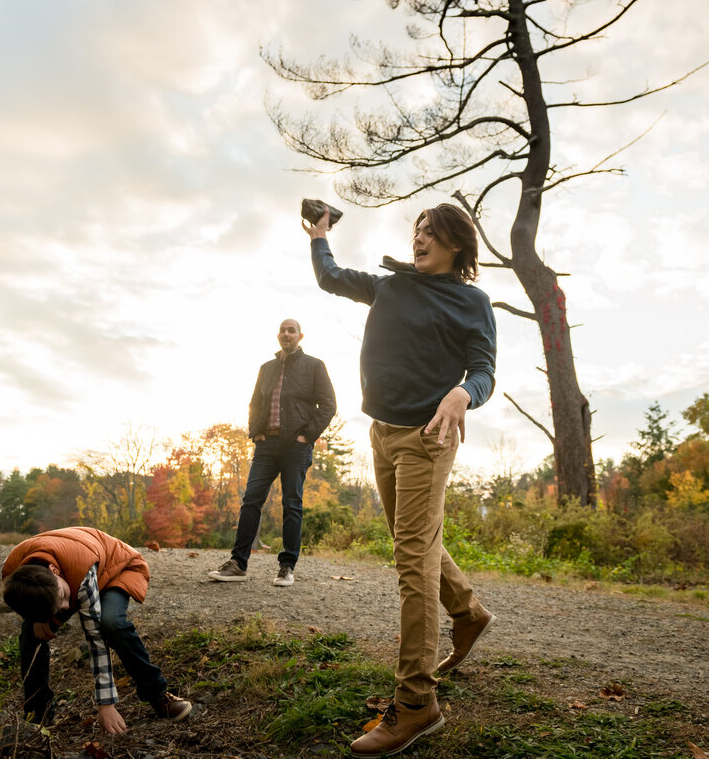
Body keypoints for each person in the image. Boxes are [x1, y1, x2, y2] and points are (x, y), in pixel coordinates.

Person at [304, 204, 497, 757]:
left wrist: (465, 393)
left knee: (412, 559)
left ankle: (417, 704)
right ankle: (468, 611)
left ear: (457, 244)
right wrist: (319, 236)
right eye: (417, 231)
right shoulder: (390, 287)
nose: (419, 239)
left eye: (432, 233)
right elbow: (330, 276)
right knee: (413, 544)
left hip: (427, 439)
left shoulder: (471, 302)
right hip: (382, 434)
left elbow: (483, 369)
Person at [1, 527, 193, 734]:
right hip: (73, 574)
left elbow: (96, 641)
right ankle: (37, 714)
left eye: (64, 597)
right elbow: (25, 603)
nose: (66, 607)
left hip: (116, 568)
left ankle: (158, 693)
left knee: (111, 623)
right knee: (30, 635)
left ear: (53, 571)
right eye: (58, 607)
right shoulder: (13, 573)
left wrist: (106, 705)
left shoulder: (81, 577)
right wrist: (34, 619)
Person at [208, 318, 337, 587]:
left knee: (292, 504)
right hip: (266, 447)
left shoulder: (314, 366)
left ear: (301, 336)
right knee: (251, 499)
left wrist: (306, 436)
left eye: (291, 330)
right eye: (283, 330)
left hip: (296, 447)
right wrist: (256, 431)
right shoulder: (266, 368)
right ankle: (238, 564)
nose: (286, 334)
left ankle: (287, 567)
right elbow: (255, 403)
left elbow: (328, 405)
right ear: (278, 335)